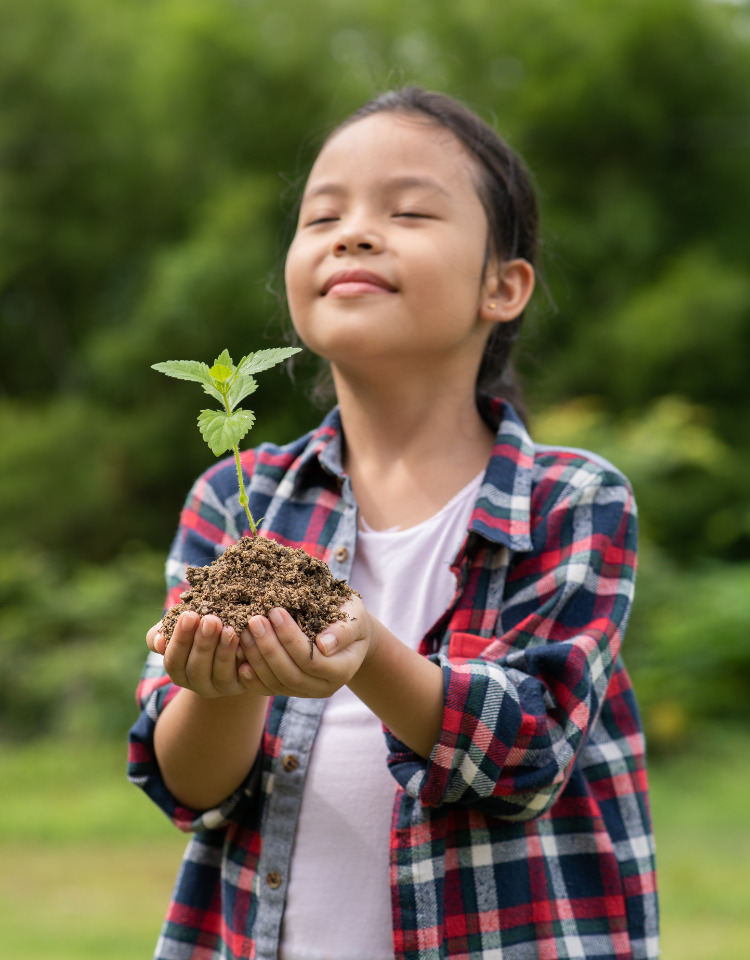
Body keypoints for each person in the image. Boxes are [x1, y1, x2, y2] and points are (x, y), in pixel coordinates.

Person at [128, 87, 659, 960]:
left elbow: (527, 753)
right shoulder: (235, 497)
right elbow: (190, 787)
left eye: (408, 211)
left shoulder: (570, 500)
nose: (354, 233)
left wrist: (363, 648)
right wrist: (223, 680)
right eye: (323, 215)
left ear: (503, 286)